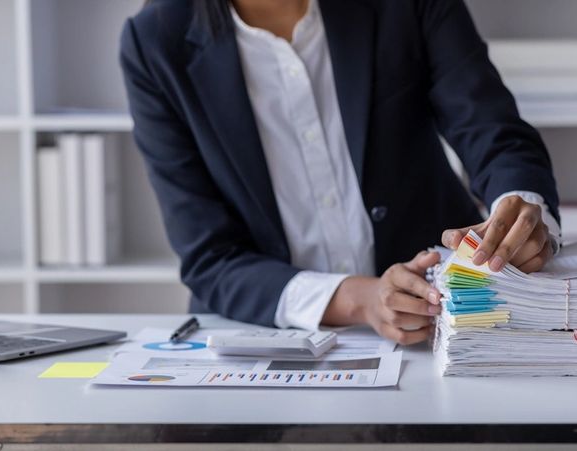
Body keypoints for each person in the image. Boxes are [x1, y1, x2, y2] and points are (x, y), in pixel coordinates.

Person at [120, 0, 560, 344]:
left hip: (441, 325)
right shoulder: (155, 41)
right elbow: (209, 257)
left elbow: (491, 129)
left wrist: (520, 208)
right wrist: (360, 299)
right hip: (269, 335)